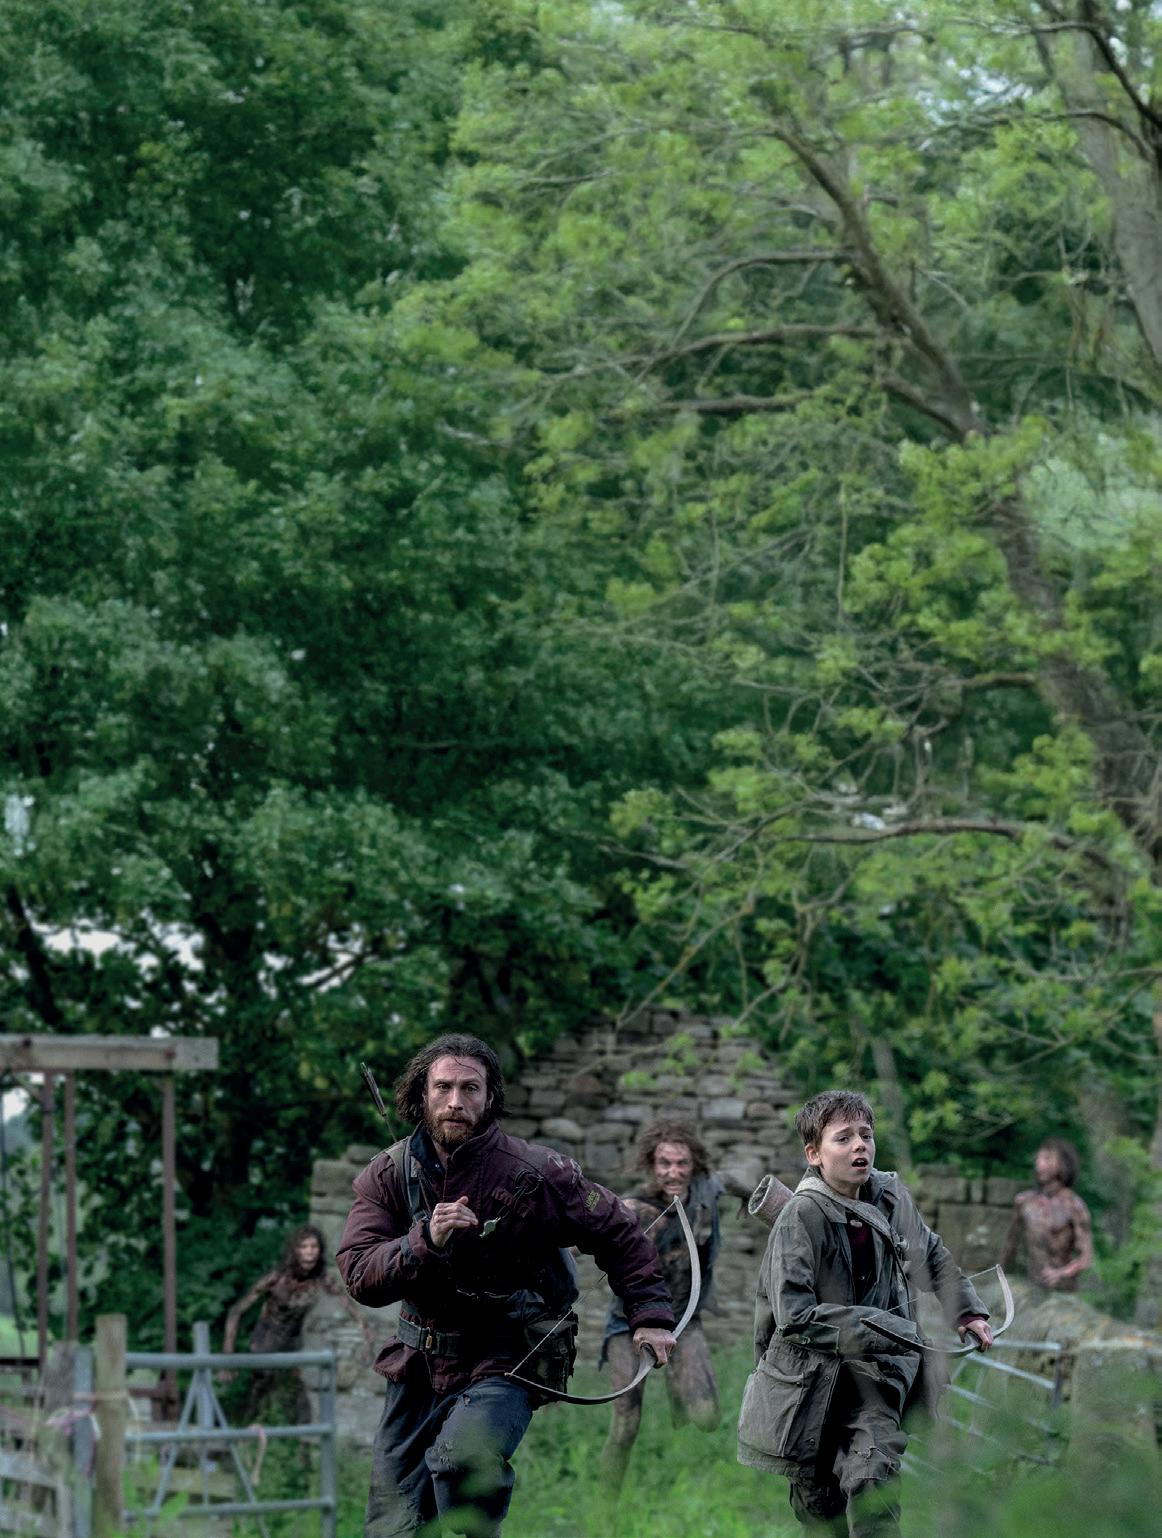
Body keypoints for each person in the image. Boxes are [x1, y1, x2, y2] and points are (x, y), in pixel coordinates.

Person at [336, 1033, 676, 1538]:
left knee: (463, 1458)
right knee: (392, 1528)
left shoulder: (537, 1172)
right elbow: (360, 1274)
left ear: (490, 1095)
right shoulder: (387, 1173)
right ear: (422, 1094)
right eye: (443, 1087)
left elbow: (619, 1231)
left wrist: (650, 1316)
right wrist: (423, 1240)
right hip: (417, 1365)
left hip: (505, 1358)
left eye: (470, 1088)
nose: (456, 1101)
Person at [738, 1089, 993, 1538]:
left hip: (876, 1375)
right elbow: (794, 1316)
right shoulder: (801, 1215)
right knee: (820, 1513)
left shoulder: (889, 1196)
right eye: (843, 1138)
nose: (860, 1145)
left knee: (874, 1478)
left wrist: (967, 1311)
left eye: (866, 1135)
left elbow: (930, 1254)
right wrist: (887, 1326)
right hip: (808, 1382)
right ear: (814, 1154)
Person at [599, 1119, 730, 1492]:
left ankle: (685, 1487)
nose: (674, 1172)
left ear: (694, 1165)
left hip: (684, 1321)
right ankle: (605, 1508)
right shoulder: (632, 1208)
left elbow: (736, 1184)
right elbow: (580, 1239)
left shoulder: (705, 1194)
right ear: (651, 1165)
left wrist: (763, 1202)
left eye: (682, 1163)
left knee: (706, 1415)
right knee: (625, 1426)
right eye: (665, 1164)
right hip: (629, 1326)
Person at [222, 1224, 374, 1424]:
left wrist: (367, 1339)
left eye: (314, 1246)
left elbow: (352, 1308)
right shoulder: (278, 1278)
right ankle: (244, 1433)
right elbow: (236, 1312)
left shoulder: (321, 1280)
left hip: (291, 1349)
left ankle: (294, 1440)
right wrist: (227, 1355)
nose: (309, 1252)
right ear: (294, 1250)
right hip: (265, 1346)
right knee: (260, 1402)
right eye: (304, 1247)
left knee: (299, 1410)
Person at [998, 1137, 1093, 1292]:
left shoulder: (1074, 1206)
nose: (1039, 1164)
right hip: (1031, 1287)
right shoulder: (1024, 1202)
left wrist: (1062, 1273)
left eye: (1047, 1159)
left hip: (1063, 1292)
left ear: (1063, 1164)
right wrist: (1001, 1280)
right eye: (1038, 1159)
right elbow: (1009, 1248)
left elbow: (1085, 1258)